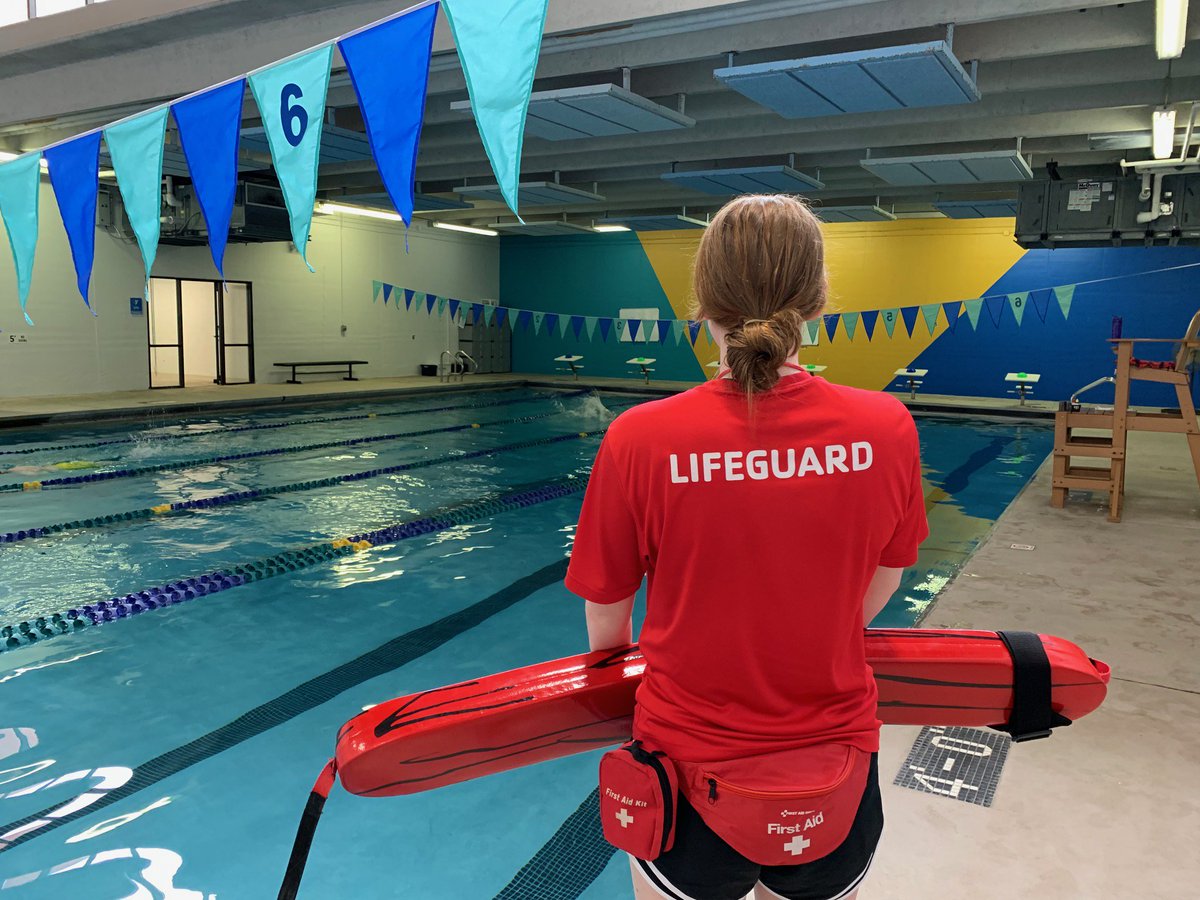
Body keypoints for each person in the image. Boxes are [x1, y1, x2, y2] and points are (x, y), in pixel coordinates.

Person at [565, 195, 928, 900]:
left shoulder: (641, 438)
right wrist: (815, 632)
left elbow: (607, 609)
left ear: (703, 304)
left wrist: (614, 698)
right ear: (817, 302)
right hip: (834, 765)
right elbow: (889, 571)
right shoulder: (886, 427)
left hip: (683, 767)